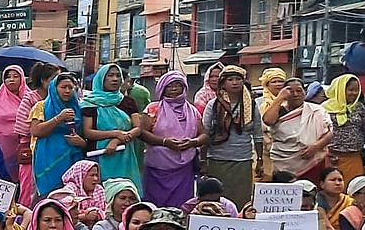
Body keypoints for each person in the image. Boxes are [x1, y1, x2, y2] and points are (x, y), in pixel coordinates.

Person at [136, 72, 203, 208]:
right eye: (169, 86)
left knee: (181, 204)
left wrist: (192, 142)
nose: (173, 89)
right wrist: (165, 142)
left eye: (177, 85)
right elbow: (142, 132)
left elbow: (204, 135)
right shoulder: (153, 108)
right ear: (162, 88)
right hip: (157, 167)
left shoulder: (192, 110)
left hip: (184, 167)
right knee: (155, 204)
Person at [198, 65, 262, 209]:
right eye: (230, 79)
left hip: (243, 161)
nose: (234, 83)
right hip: (217, 160)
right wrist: (203, 160)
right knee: (217, 201)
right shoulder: (213, 105)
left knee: (241, 202)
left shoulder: (251, 105)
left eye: (238, 79)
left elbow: (258, 135)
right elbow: (206, 134)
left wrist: (259, 159)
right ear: (223, 83)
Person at [83, 65, 142, 190]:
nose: (115, 79)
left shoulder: (128, 102)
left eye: (118, 75)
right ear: (101, 79)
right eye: (110, 76)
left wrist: (118, 139)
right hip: (99, 154)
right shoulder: (90, 103)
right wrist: (115, 134)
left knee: (125, 190)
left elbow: (137, 128)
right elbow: (88, 132)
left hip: (125, 155)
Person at [264, 77, 332, 181]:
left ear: (305, 92)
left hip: (312, 160)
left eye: (299, 91)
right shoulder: (280, 110)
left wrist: (316, 146)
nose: (295, 94)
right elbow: (268, 121)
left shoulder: (316, 110)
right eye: (290, 91)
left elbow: (329, 133)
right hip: (284, 161)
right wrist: (279, 98)